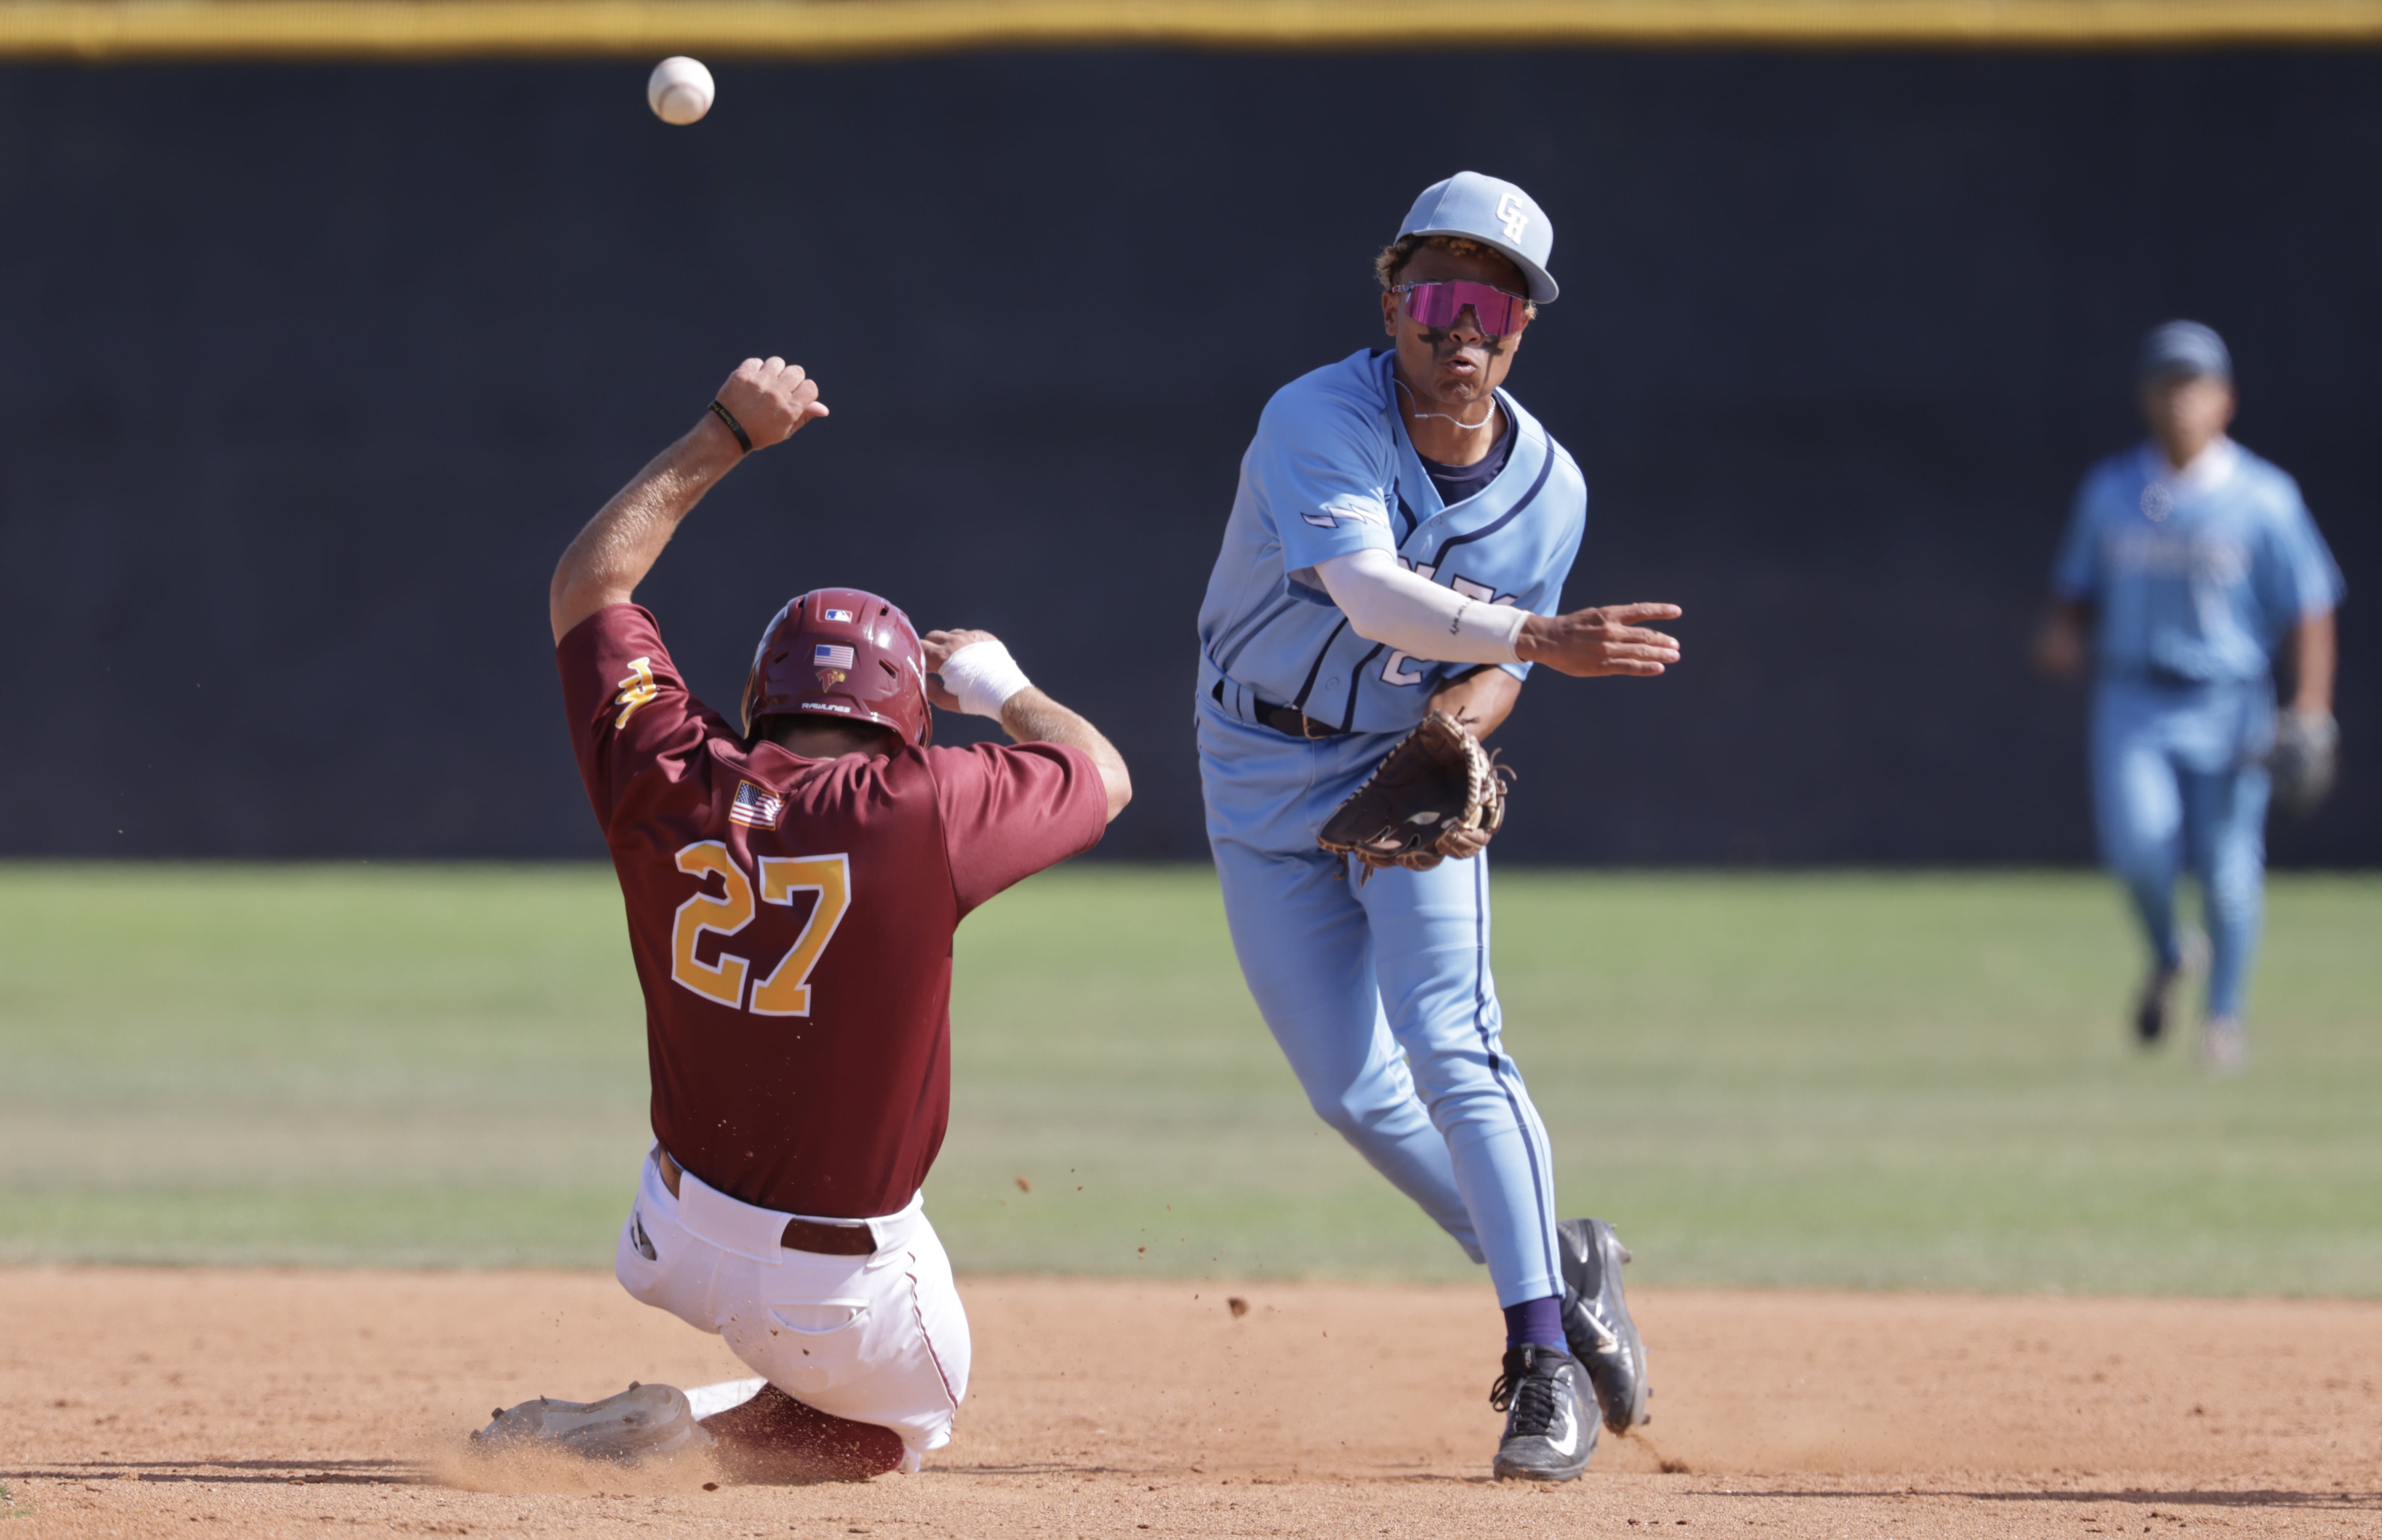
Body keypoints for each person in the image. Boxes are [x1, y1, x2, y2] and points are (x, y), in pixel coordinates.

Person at [514, 355, 1131, 1479]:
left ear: (762, 698)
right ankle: (680, 1428)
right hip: (831, 1285)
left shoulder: (667, 768)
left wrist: (722, 434)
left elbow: (589, 589)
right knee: (906, 1425)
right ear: (905, 721)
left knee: (801, 1307)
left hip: (667, 1235)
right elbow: (1102, 772)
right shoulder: (929, 805)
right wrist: (998, 683)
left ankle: (699, 1391)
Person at [1193, 172, 1683, 1482]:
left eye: (1495, 299)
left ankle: (1540, 1360)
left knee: (1454, 1041)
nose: (1462, 325)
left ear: (1524, 324)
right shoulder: (1319, 416)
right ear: (1394, 294)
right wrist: (1526, 639)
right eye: (1439, 292)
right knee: (1349, 1088)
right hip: (1252, 760)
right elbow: (1367, 591)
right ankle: (1560, 1256)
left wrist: (1465, 719)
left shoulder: (1550, 489)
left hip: (1399, 761)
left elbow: (1499, 672)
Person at [2036, 321, 2342, 1074]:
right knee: (2141, 846)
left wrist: (2308, 706)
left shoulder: (2264, 498)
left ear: (2225, 400)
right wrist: (2062, 633)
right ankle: (2174, 951)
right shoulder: (2113, 492)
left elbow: (2310, 605)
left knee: (2230, 868)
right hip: (2134, 695)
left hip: (2230, 697)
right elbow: (2072, 595)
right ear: (2147, 398)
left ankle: (2223, 1019)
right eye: (2167, 386)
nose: (2180, 402)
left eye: (2194, 386)